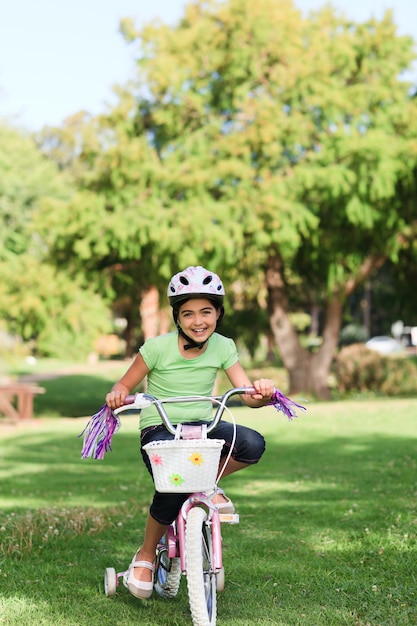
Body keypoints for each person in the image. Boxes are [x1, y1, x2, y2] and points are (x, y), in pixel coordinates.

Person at [105, 265, 275, 600]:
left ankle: (208, 484)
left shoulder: (223, 347)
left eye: (206, 312)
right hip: (160, 428)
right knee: (172, 487)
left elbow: (247, 394)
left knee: (252, 444)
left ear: (219, 313)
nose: (198, 321)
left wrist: (263, 393)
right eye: (188, 314)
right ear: (177, 318)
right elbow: (124, 384)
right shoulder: (155, 348)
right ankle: (145, 553)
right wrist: (116, 394)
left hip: (204, 427)